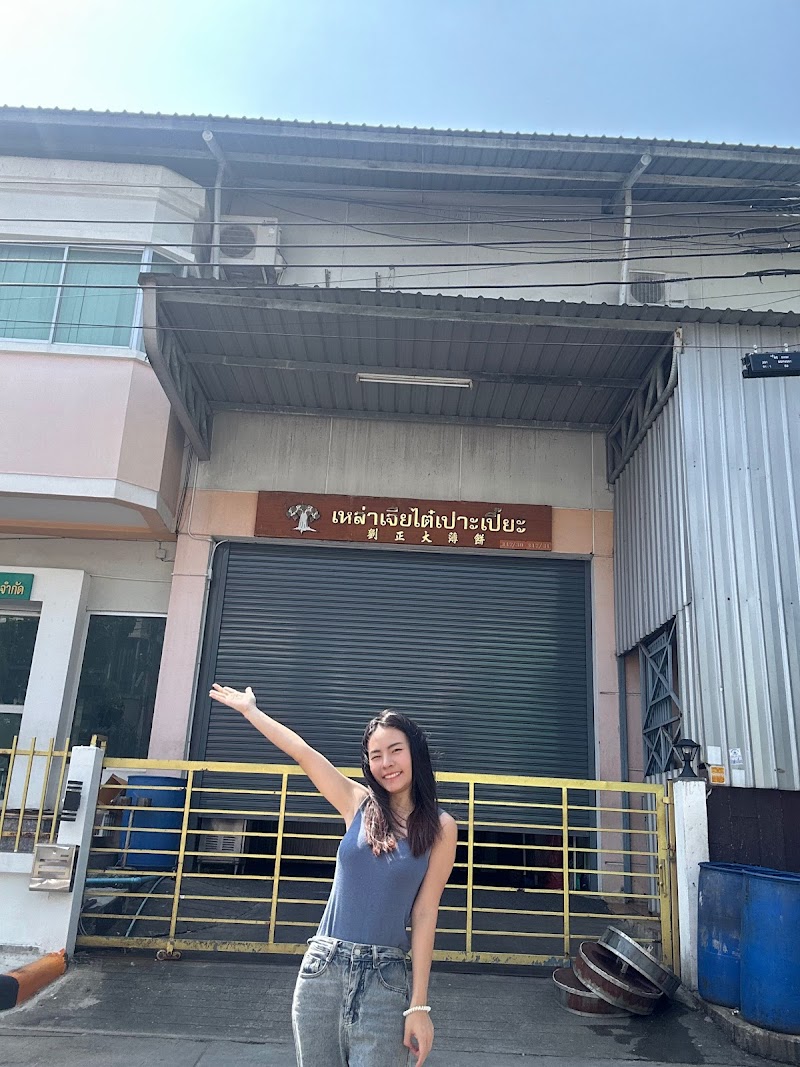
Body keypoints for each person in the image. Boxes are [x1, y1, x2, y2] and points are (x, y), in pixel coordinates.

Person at [208, 683, 458, 1067]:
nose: (387, 763)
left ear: (415, 753)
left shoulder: (441, 827)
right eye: (376, 755)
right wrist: (251, 711)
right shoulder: (357, 803)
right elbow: (302, 752)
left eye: (395, 750)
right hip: (323, 970)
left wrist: (419, 1007)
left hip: (385, 980)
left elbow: (425, 913)